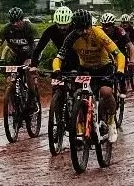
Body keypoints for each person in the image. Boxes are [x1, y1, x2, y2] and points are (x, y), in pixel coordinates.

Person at [52, 9, 125, 141]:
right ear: (75, 28)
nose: (85, 31)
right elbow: (59, 57)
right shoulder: (71, 37)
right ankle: (80, 125)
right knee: (78, 95)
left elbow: (119, 54)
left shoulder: (98, 33)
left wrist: (120, 70)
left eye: (87, 27)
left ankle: (111, 122)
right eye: (81, 29)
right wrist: (56, 69)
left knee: (106, 92)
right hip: (85, 68)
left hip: (103, 67)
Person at [0, 7, 39, 106]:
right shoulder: (6, 28)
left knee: (28, 73)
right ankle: (13, 102)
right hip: (14, 57)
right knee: (9, 80)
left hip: (29, 56)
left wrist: (33, 60)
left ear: (22, 19)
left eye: (17, 21)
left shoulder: (30, 28)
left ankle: (32, 97)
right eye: (12, 21)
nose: (15, 24)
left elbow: (38, 47)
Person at [100, 13, 134, 95]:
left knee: (121, 71)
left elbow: (131, 46)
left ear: (113, 25)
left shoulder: (120, 31)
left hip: (120, 53)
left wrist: (131, 61)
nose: (106, 28)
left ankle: (123, 89)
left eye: (109, 25)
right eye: (104, 25)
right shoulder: (100, 32)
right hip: (106, 54)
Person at [31, 6, 77, 71]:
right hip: (61, 57)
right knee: (53, 64)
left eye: (65, 25)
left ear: (70, 23)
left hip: (78, 57)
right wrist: (34, 65)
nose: (62, 28)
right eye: (59, 25)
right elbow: (38, 48)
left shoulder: (76, 29)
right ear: (55, 23)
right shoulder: (51, 30)